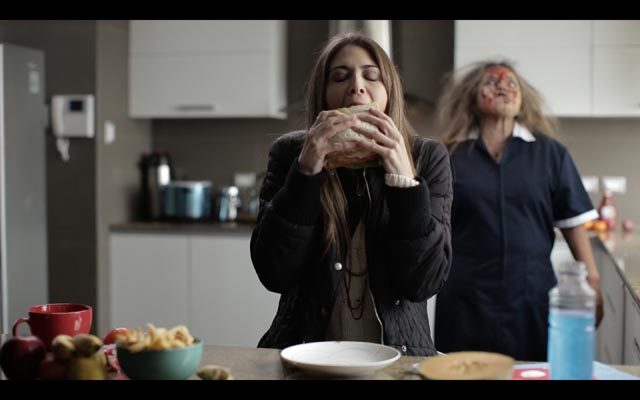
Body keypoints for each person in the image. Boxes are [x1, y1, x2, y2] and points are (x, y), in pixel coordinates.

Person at [250, 32, 453, 356]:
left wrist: (404, 180)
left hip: (396, 361)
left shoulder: (427, 156)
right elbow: (274, 274)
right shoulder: (290, 153)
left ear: (389, 92)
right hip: (305, 355)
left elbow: (423, 283)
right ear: (323, 94)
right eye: (340, 77)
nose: (357, 86)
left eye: (371, 76)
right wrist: (306, 171)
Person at [433, 61, 604, 361]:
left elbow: (572, 221)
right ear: (472, 96)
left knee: (533, 373)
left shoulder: (551, 154)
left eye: (511, 83)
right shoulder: (448, 155)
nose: (503, 87)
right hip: (465, 302)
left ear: (523, 99)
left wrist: (592, 280)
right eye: (492, 83)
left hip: (532, 299)